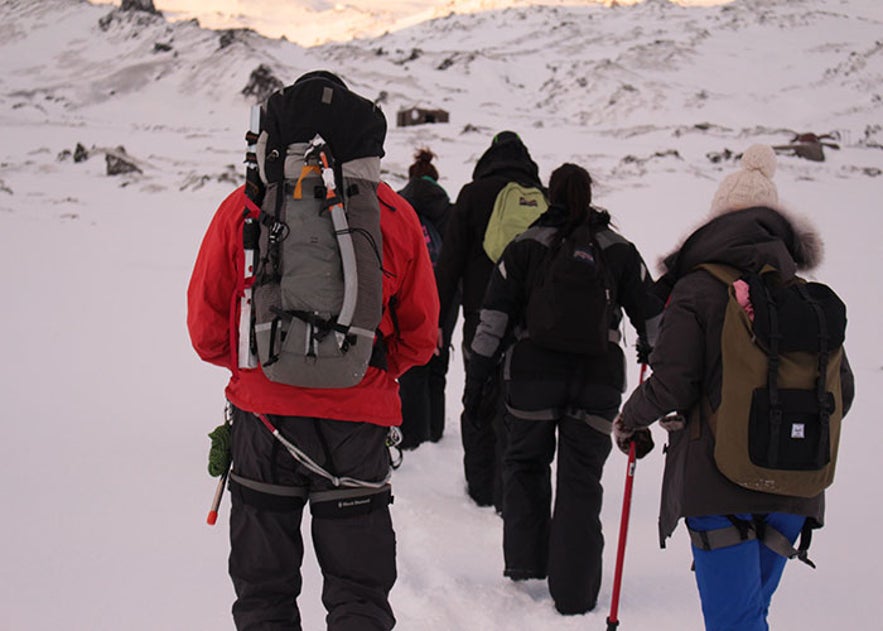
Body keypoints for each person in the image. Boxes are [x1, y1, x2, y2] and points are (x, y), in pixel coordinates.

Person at [613, 144, 855, 631]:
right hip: (795, 486)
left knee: (736, 623)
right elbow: (842, 390)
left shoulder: (698, 288)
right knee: (748, 617)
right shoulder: (802, 297)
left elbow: (674, 381)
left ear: (716, 222)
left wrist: (629, 420)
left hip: (717, 484)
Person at [187, 177, 438, 629]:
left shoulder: (244, 205)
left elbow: (206, 331)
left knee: (264, 594)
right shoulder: (392, 212)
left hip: (264, 422)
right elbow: (420, 337)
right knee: (359, 594)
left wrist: (258, 370)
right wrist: (362, 370)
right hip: (357, 426)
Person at [465, 163, 656, 615]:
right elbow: (654, 319)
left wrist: (477, 379)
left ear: (549, 196)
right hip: (598, 381)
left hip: (531, 377)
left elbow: (492, 318)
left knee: (526, 462)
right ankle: (574, 594)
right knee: (581, 480)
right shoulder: (618, 249)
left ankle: (527, 565)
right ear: (590, 196)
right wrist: (658, 361)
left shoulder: (526, 245)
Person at [434, 130, 544, 511]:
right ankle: (512, 487)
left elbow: (449, 263)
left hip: (480, 315)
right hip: (532, 322)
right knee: (519, 402)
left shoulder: (473, 194)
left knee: (479, 394)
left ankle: (480, 487)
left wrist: (436, 316)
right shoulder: (541, 198)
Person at [396, 148, 457, 449]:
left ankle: (412, 436)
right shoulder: (449, 209)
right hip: (446, 292)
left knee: (411, 363)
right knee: (438, 364)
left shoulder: (397, 204)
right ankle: (435, 434)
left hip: (410, 288)